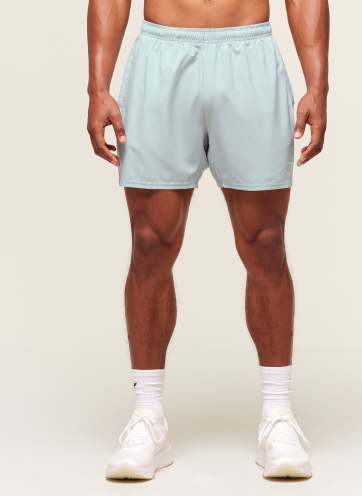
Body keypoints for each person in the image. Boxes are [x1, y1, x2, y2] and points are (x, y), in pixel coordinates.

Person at [87, 0, 329, 480]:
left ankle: (277, 416)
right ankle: (148, 418)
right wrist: (98, 87)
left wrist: (317, 85)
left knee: (265, 242)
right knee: (150, 241)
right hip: (161, 53)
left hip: (249, 53)